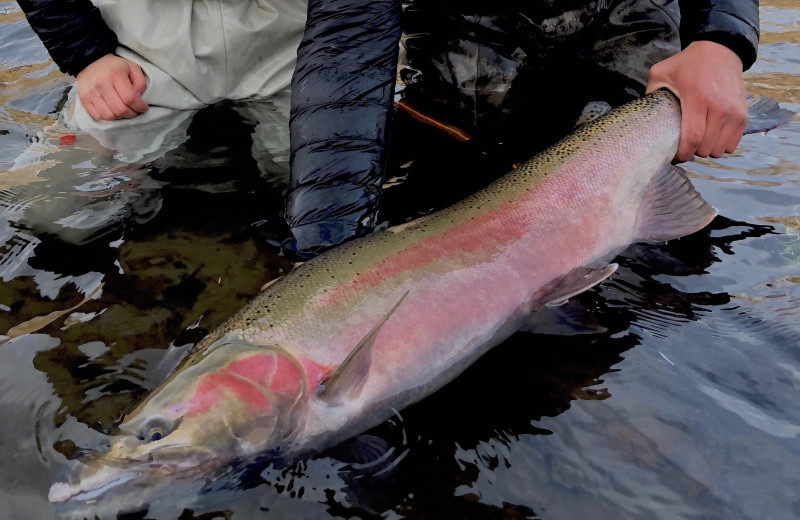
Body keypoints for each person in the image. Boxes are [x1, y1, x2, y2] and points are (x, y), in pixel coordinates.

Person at [285, 0, 759, 257]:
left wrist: (721, 42)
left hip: (619, 64)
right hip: (452, 94)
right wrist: (326, 239)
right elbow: (347, 44)